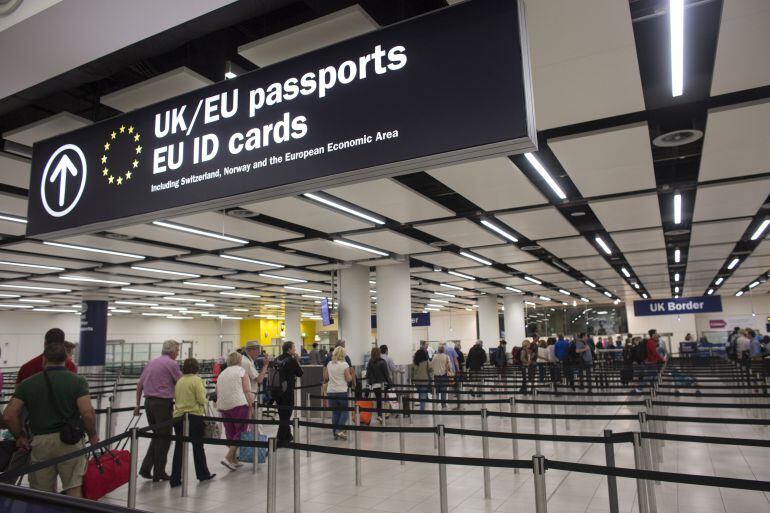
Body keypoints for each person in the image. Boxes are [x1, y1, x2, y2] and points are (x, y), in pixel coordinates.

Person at [3, 342, 97, 496]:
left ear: (44, 360)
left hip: (40, 443)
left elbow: (8, 415)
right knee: (73, 488)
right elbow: (87, 413)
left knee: (42, 493)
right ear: (66, 359)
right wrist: (92, 435)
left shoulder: (28, 384)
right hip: (70, 442)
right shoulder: (78, 381)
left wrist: (20, 436)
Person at [134, 339, 182, 481]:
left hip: (148, 402)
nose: (178, 353)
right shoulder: (172, 364)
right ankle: (159, 471)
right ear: (172, 351)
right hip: (162, 403)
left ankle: (145, 468)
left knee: (157, 435)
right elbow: (181, 382)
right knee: (164, 437)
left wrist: (137, 405)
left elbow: (139, 384)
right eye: (178, 351)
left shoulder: (152, 362)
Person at [170, 358, 215, 487]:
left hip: (178, 417)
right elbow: (201, 399)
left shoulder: (180, 381)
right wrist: (207, 399)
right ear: (197, 368)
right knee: (198, 446)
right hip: (194, 416)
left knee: (179, 448)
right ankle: (203, 474)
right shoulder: (197, 380)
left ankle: (175, 478)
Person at [216, 351, 252, 470]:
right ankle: (227, 457)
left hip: (223, 405)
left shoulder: (222, 373)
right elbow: (247, 390)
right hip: (238, 404)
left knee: (230, 431)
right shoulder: (241, 371)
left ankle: (233, 459)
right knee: (241, 431)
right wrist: (251, 405)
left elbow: (217, 391)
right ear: (239, 360)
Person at [274, 341, 304, 444]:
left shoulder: (277, 359)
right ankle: (279, 439)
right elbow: (300, 373)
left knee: (282, 414)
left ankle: (288, 436)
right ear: (289, 349)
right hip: (287, 392)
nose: (295, 350)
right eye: (294, 348)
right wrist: (297, 360)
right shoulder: (291, 360)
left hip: (277, 392)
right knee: (286, 415)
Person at [324, 346, 355, 439]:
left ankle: (335, 433)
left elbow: (325, 377)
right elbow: (348, 378)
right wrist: (351, 377)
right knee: (345, 411)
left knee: (335, 413)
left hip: (330, 391)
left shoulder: (329, 364)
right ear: (343, 354)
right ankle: (340, 430)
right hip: (341, 391)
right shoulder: (345, 364)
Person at [366, 346, 391, 422]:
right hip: (383, 385)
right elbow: (386, 374)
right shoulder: (382, 362)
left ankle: (380, 415)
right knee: (384, 400)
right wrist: (391, 383)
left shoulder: (370, 362)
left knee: (379, 400)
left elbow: (368, 374)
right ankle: (383, 414)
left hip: (374, 385)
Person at [411, 346, 432, 411]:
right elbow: (430, 371)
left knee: (420, 392)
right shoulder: (427, 362)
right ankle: (422, 409)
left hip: (416, 380)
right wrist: (431, 379)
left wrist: (412, 379)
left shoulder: (414, 362)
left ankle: (421, 406)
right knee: (423, 393)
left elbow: (412, 372)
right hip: (424, 380)